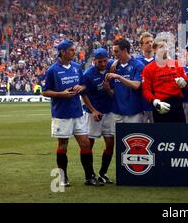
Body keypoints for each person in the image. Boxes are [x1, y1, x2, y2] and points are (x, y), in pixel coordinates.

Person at [42, 39, 102, 187]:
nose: (74, 52)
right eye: (71, 50)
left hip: (77, 112)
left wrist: (81, 88)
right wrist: (61, 94)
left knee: (86, 144)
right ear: (63, 52)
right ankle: (63, 178)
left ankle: (89, 177)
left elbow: (83, 86)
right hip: (61, 114)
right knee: (63, 145)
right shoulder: (52, 70)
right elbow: (45, 92)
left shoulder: (76, 67)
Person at [81, 48, 115, 184]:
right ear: (94, 61)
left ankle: (103, 173)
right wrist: (93, 110)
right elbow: (84, 94)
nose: (102, 64)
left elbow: (119, 60)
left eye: (105, 61)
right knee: (89, 143)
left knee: (110, 143)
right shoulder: (88, 74)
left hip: (109, 111)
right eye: (99, 61)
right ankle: (89, 175)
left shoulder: (111, 66)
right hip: (93, 113)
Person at [142, 36, 188, 123]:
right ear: (154, 50)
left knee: (181, 134)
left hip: (177, 105)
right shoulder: (148, 69)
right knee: (162, 135)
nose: (164, 49)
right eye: (161, 47)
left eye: (166, 47)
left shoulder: (177, 64)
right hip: (161, 105)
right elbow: (146, 90)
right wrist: (155, 102)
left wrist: (184, 83)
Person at [105, 38, 145, 124]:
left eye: (116, 51)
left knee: (133, 137)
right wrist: (108, 89)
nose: (114, 54)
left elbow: (136, 85)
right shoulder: (112, 66)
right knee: (119, 137)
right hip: (117, 111)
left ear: (125, 50)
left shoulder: (138, 65)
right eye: (113, 51)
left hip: (133, 112)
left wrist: (119, 77)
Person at [136, 32, 155, 123]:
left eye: (151, 42)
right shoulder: (136, 61)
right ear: (141, 45)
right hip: (140, 103)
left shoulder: (159, 60)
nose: (150, 44)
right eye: (147, 42)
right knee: (141, 133)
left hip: (156, 102)